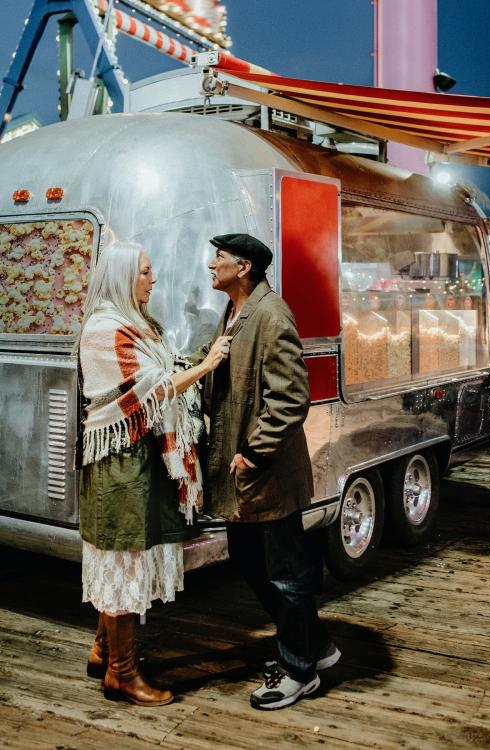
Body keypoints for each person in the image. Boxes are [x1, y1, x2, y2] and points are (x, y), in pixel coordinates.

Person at [77, 240, 230, 706]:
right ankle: (122, 674)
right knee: (121, 557)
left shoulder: (135, 324)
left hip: (135, 458)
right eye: (145, 271)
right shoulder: (105, 329)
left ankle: (104, 651)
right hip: (118, 464)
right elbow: (151, 391)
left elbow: (160, 372)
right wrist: (205, 367)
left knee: (121, 559)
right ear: (124, 277)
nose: (153, 279)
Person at [193, 233, 340, 710]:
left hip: (267, 474)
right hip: (245, 476)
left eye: (219, 258)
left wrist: (254, 452)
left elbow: (291, 396)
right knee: (249, 560)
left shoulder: (272, 315)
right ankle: (316, 646)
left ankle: (300, 672)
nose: (211, 265)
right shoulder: (237, 312)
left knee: (286, 574)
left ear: (244, 267)